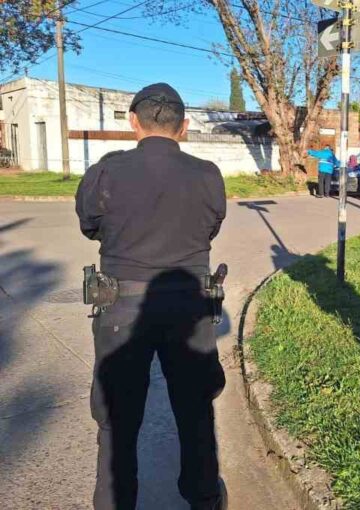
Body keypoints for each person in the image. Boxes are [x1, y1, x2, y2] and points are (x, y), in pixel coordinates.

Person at [75, 83, 228, 509]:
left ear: (133, 122)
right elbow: (211, 227)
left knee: (116, 420)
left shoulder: (107, 171)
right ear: (185, 127)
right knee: (195, 409)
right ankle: (203, 496)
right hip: (190, 307)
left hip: (121, 307)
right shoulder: (207, 174)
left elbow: (89, 225)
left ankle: (114, 502)